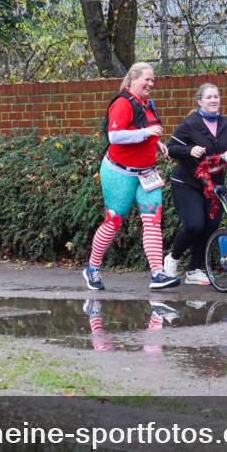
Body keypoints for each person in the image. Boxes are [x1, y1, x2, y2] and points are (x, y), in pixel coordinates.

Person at [83, 62, 180, 291]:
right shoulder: (122, 103)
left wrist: (156, 143)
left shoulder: (147, 105)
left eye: (153, 80)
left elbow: (144, 132)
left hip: (146, 173)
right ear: (133, 79)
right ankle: (92, 268)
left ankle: (157, 273)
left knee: (152, 219)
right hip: (119, 173)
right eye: (146, 79)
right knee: (114, 220)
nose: (150, 83)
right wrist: (147, 133)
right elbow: (115, 136)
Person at [164, 83, 227, 285]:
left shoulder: (225, 123)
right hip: (188, 182)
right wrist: (189, 150)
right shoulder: (190, 123)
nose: (214, 100)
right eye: (209, 97)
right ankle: (172, 259)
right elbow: (171, 148)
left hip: (214, 183)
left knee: (211, 224)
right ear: (200, 101)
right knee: (195, 225)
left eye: (216, 96)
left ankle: (194, 269)